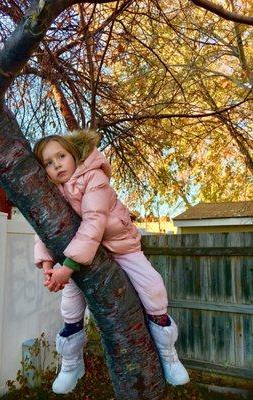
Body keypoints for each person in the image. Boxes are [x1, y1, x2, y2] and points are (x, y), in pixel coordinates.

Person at [33, 130, 189, 394]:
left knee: (153, 287)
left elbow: (94, 220)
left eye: (61, 156)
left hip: (119, 246)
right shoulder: (53, 192)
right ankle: (71, 363)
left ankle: (168, 354)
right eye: (48, 162)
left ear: (74, 155)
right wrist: (48, 264)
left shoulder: (94, 177)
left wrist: (68, 267)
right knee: (70, 306)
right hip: (77, 254)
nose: (56, 164)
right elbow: (44, 229)